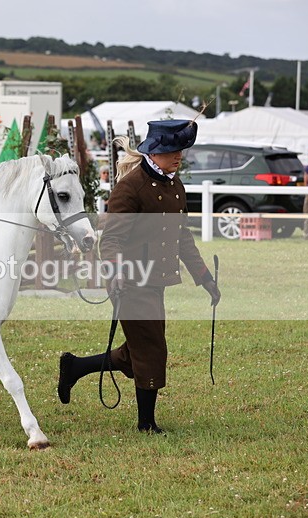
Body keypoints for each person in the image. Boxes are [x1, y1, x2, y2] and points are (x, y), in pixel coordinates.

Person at [57, 119, 221, 434]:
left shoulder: (175, 185)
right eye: (172, 150)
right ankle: (146, 424)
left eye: (180, 150)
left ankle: (75, 367)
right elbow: (111, 240)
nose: (178, 156)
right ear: (153, 152)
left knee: (138, 350)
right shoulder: (131, 187)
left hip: (155, 280)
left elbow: (182, 237)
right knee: (151, 348)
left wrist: (204, 277)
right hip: (129, 280)